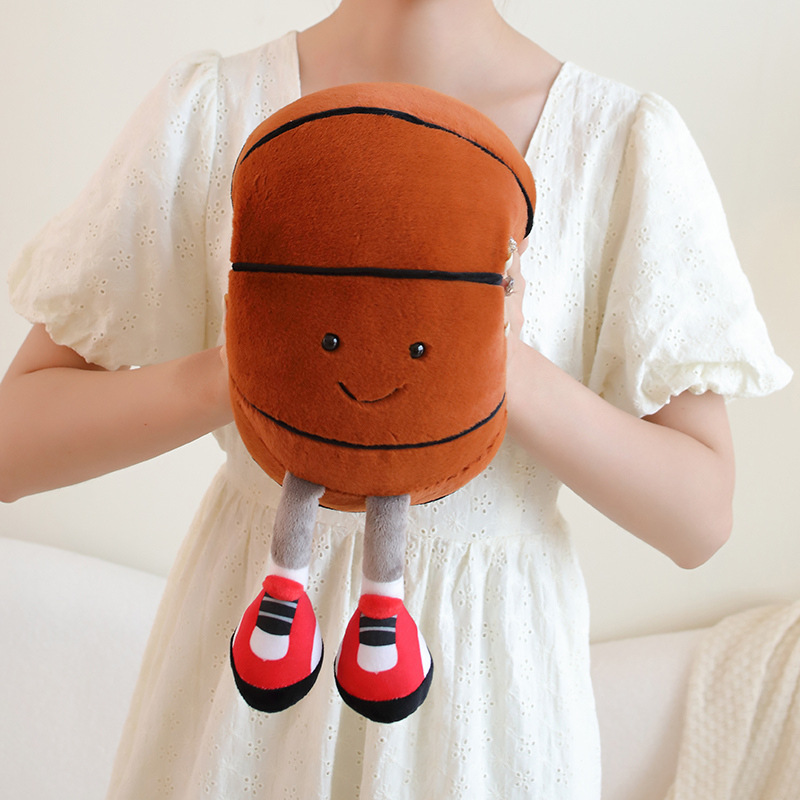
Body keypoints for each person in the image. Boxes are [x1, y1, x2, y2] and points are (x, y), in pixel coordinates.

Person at [0, 0, 791, 797]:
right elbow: (12, 444)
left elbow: (699, 516)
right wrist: (253, 362)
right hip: (250, 670)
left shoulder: (617, 143)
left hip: (487, 703)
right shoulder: (214, 112)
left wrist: (490, 356)